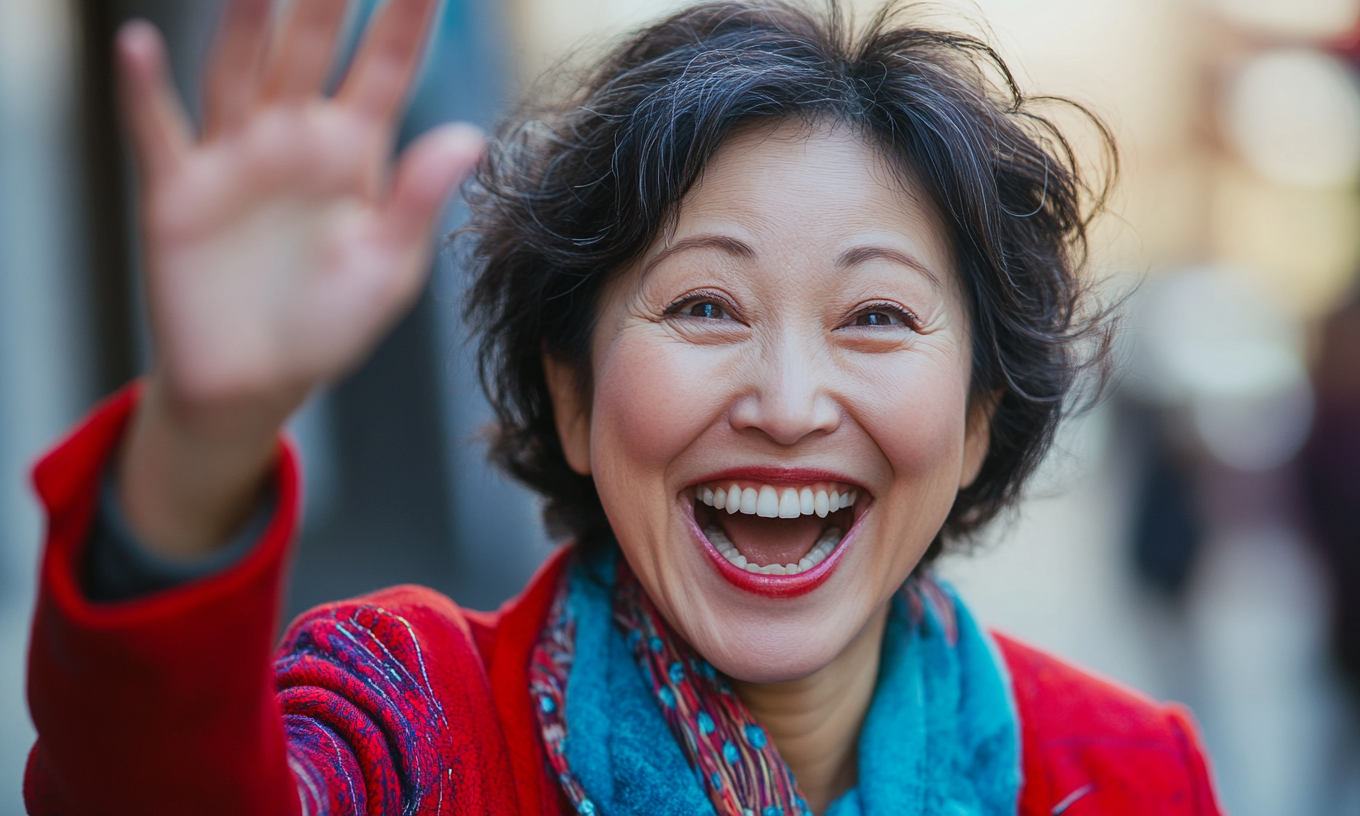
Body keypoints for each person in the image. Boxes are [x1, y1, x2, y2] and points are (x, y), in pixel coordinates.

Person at [23, 0, 1224, 814]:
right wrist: (201, 445)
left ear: (973, 424)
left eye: (875, 317)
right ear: (575, 391)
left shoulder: (1121, 775)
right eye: (705, 306)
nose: (788, 402)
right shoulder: (409, 723)